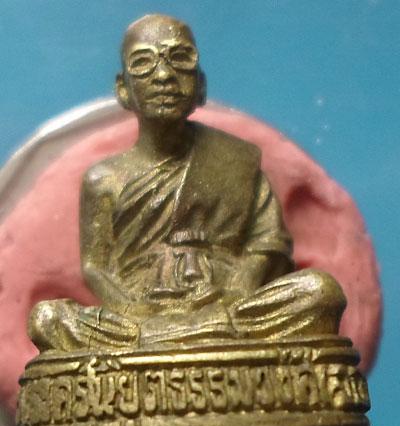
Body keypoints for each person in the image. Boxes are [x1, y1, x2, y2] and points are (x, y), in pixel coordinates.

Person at [28, 14, 346, 353]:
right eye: (144, 63)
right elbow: (96, 267)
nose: (164, 75)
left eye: (179, 59)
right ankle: (190, 338)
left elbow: (268, 244)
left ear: (201, 86)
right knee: (46, 318)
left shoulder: (236, 162)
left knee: (321, 291)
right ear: (123, 89)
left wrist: (238, 292)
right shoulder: (102, 179)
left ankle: (177, 339)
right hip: (138, 318)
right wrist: (132, 312)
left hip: (226, 304)